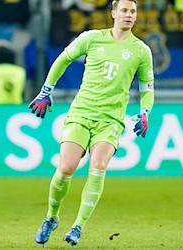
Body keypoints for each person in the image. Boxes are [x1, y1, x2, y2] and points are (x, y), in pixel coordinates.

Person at [30, 0, 154, 246]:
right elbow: (63, 59)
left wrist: (145, 112)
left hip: (110, 119)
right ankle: (51, 217)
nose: (129, 15)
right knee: (66, 167)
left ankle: (78, 226)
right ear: (113, 13)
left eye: (133, 11)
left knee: (98, 166)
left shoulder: (141, 51)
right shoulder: (92, 38)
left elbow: (147, 88)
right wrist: (46, 91)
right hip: (82, 112)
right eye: (124, 11)